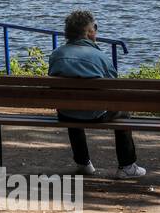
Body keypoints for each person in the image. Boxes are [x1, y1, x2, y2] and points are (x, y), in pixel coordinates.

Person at [48, 9, 147, 179]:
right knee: (123, 114)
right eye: (95, 28)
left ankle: (83, 163)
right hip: (96, 114)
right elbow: (113, 87)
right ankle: (127, 165)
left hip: (66, 113)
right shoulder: (100, 57)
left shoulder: (56, 55)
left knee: (72, 107)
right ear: (89, 32)